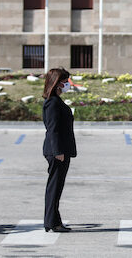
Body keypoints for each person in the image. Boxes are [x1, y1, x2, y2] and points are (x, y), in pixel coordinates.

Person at [42, 67, 77, 233]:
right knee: (54, 188)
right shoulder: (52, 102)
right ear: (56, 84)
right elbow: (52, 129)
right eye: (65, 82)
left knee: (56, 188)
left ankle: (54, 221)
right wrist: (58, 152)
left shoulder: (56, 101)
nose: (67, 85)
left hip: (61, 150)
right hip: (57, 151)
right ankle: (52, 222)